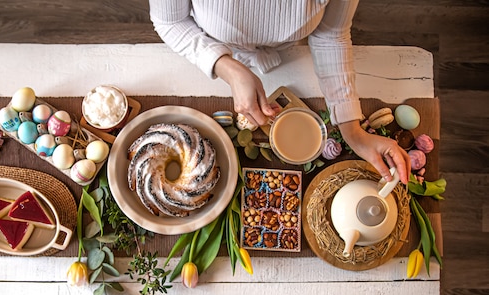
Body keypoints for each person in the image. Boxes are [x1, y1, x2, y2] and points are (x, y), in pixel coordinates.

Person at [149, 0, 411, 183]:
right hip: (211, 46)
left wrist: (353, 131)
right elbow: (171, 21)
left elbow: (331, 34)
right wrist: (227, 67)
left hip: (291, 56)